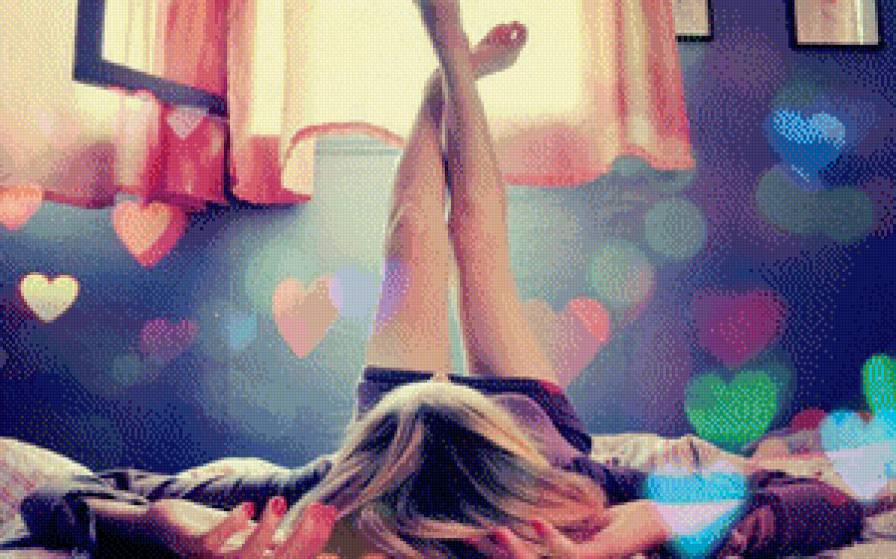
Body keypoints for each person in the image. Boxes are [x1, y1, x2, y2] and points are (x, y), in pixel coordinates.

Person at [16, 2, 866, 558]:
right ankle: (455, 70)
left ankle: (442, 80)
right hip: (519, 430)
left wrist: (162, 527)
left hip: (406, 432)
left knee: (415, 235)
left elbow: (57, 495)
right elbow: (825, 499)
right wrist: (652, 521)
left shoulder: (320, 506)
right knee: (478, 242)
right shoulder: (583, 500)